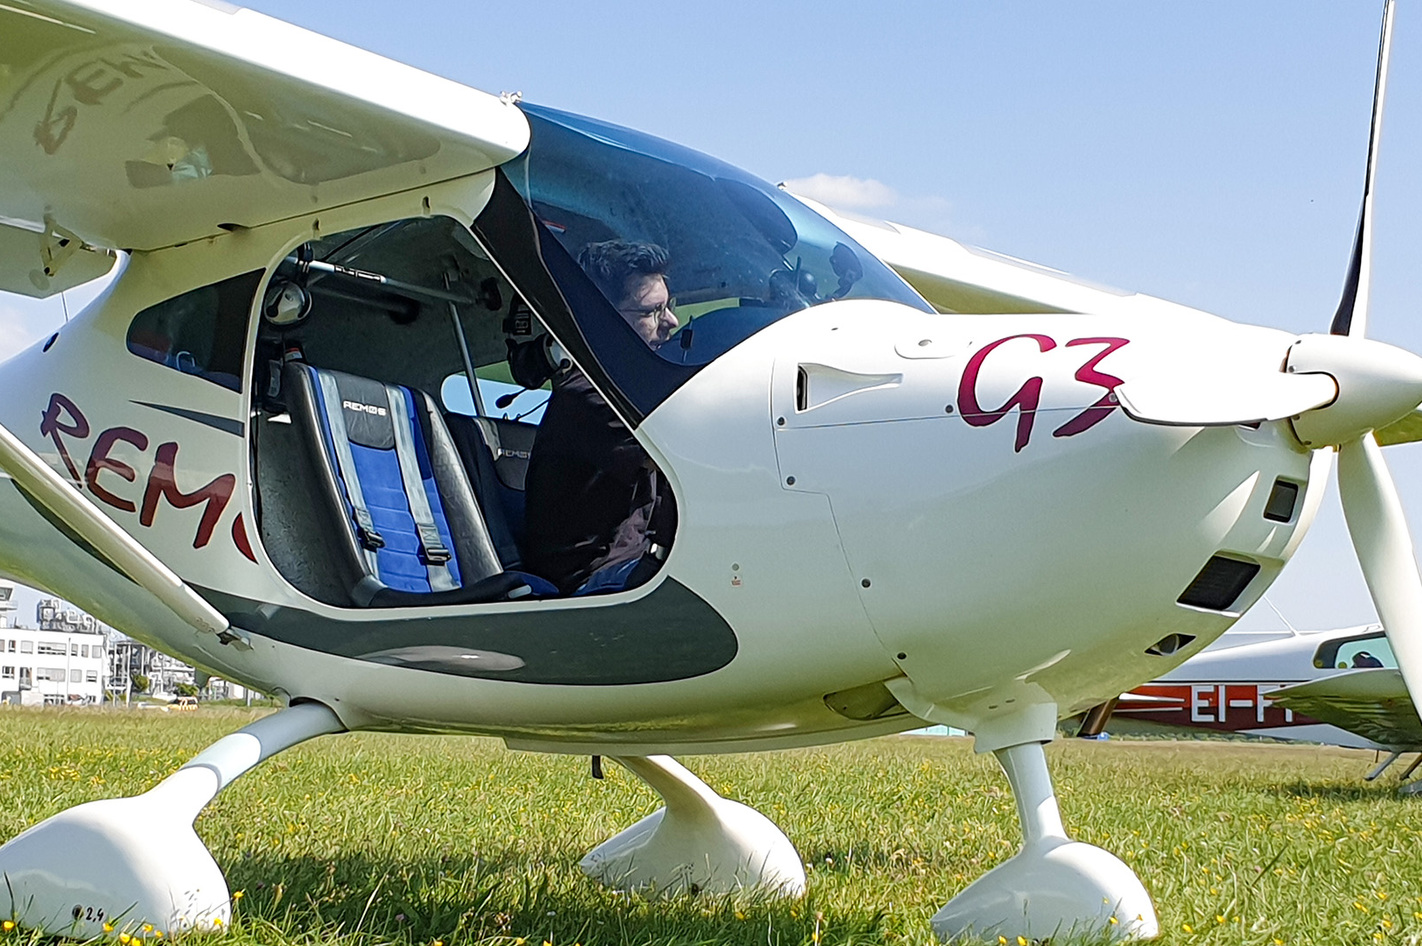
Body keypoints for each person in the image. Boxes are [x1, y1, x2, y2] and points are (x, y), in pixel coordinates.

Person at [521, 241, 678, 594]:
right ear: (604, 321)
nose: (671, 321)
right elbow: (686, 457)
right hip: (591, 582)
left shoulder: (626, 392)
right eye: (652, 311)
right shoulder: (590, 396)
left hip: (633, 563)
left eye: (669, 306)